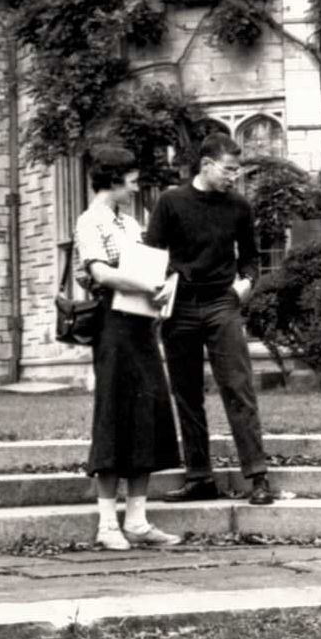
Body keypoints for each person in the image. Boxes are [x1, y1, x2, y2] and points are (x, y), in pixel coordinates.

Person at [144, 132, 274, 506]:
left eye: (237, 170)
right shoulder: (171, 202)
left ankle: (258, 477)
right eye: (229, 169)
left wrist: (244, 284)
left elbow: (250, 258)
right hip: (180, 308)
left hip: (222, 304)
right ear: (206, 165)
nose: (234, 176)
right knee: (186, 394)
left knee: (238, 387)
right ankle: (199, 477)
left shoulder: (239, 206)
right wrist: (163, 283)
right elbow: (152, 254)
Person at [75, 144, 183, 551]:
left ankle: (136, 519)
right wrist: (149, 285)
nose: (136, 188)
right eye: (132, 181)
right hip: (113, 325)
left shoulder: (130, 222)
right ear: (113, 180)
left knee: (147, 411)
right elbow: (101, 273)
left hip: (141, 324)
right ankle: (107, 523)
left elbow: (150, 262)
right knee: (115, 413)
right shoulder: (91, 221)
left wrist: (163, 285)